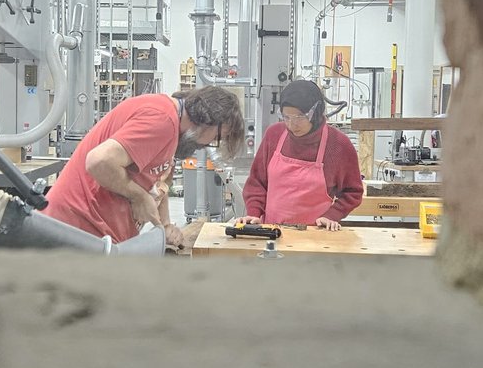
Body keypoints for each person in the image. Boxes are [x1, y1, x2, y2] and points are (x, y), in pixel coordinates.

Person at [44, 86, 244, 246]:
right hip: (75, 229)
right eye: (217, 137)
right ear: (207, 119)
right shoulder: (161, 119)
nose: (210, 144)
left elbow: (160, 179)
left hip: (98, 234)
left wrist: (165, 225)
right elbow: (99, 161)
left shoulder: (173, 130)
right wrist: (139, 196)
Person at [239, 79, 363, 230]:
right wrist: (254, 213)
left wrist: (331, 216)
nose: (292, 125)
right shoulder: (274, 135)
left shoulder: (338, 145)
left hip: (315, 238)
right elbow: (257, 182)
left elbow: (353, 192)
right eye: (286, 117)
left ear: (316, 112)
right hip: (272, 232)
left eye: (299, 117)